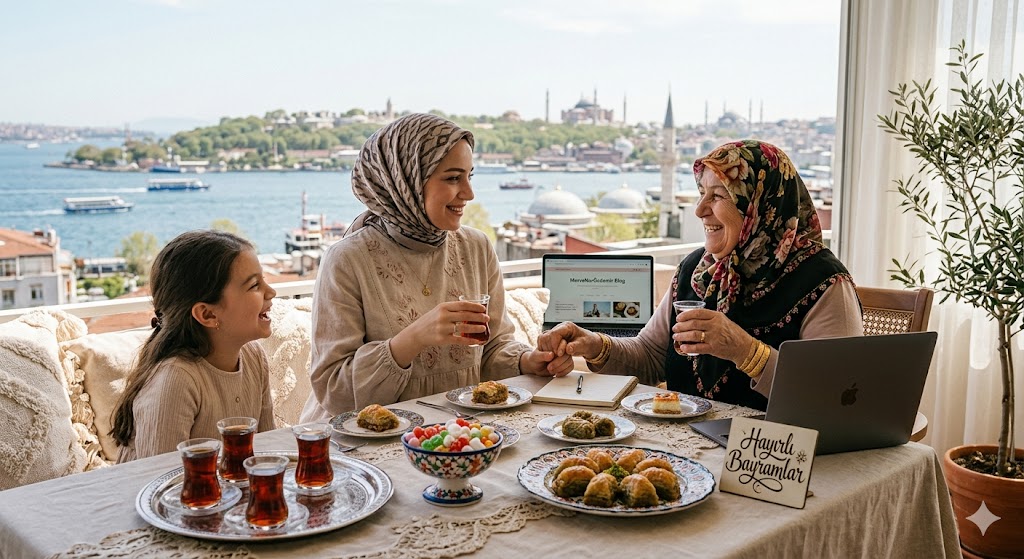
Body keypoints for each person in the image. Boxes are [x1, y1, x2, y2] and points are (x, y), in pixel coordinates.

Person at [538, 140, 863, 410]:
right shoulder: (699, 269)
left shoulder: (825, 284)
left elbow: (834, 397)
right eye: (701, 192)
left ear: (759, 205)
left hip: (772, 462)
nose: (699, 209)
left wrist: (746, 351)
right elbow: (650, 357)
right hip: (690, 447)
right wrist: (595, 345)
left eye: (718, 195)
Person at [300, 113, 564, 421]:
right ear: (405, 182)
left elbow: (491, 350)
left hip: (454, 437)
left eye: (470, 176)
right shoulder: (347, 260)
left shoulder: (477, 248)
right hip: (364, 445)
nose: (469, 193)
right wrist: (413, 338)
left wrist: (529, 362)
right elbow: (334, 391)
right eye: (453, 178)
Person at [111, 230, 277, 462]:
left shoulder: (254, 357)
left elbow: (267, 451)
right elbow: (160, 481)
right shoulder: (176, 379)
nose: (271, 292)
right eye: (254, 285)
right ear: (207, 314)